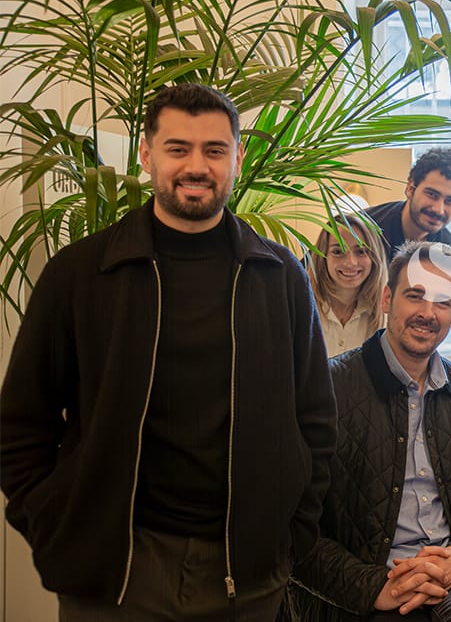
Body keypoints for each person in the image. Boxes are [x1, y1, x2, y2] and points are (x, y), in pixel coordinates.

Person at [0, 83, 336, 620]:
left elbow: (315, 421)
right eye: (178, 148)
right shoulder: (80, 274)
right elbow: (20, 423)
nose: (196, 166)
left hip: (247, 575)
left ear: (237, 158)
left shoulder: (280, 278)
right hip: (114, 576)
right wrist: (54, 526)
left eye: (214, 150)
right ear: (146, 154)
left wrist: (288, 536)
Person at [287, 241, 451, 621]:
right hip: (367, 577)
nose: (428, 313)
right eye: (415, 296)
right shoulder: (328, 386)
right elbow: (295, 522)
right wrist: (372, 586)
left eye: (443, 301)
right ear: (386, 298)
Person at [366, 147, 451, 258]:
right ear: (410, 189)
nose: (439, 210)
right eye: (432, 194)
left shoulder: (446, 247)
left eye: (450, 201)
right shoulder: (366, 229)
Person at [309, 213, 388, 356]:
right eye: (338, 251)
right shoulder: (304, 307)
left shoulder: (385, 314)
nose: (350, 262)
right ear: (323, 256)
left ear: (374, 257)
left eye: (361, 251)